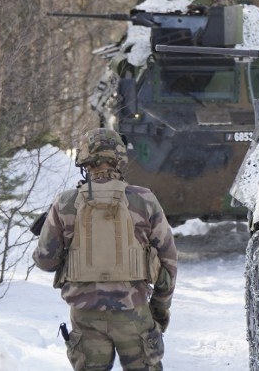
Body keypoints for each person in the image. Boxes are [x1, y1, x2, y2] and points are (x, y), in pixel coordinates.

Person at [33, 128, 177, 371]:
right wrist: (159, 309)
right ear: (120, 159)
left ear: (84, 161)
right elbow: (168, 260)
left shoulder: (65, 202)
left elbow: (46, 261)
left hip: (85, 316)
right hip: (134, 314)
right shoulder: (144, 199)